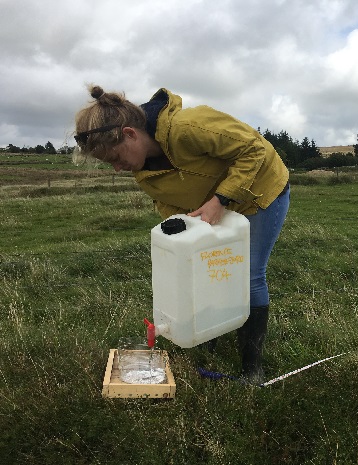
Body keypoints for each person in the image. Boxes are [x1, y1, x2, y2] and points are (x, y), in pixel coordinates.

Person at [74, 85, 290, 384]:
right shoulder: (142, 170)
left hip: (260, 193)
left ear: (130, 134)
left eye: (116, 157)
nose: (116, 168)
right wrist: (180, 227)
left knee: (249, 274)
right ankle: (211, 331)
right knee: (208, 268)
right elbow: (167, 201)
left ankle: (252, 368)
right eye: (108, 163)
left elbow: (256, 150)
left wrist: (221, 200)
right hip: (215, 208)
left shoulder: (189, 127)